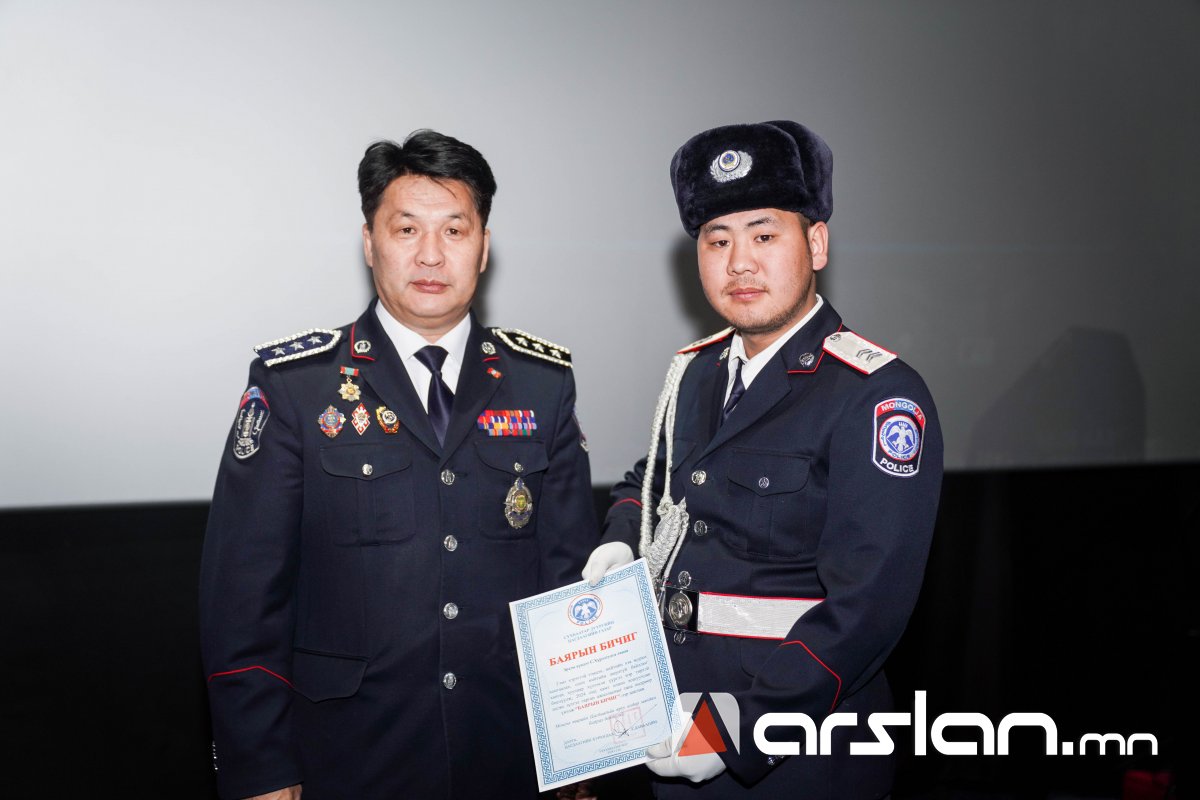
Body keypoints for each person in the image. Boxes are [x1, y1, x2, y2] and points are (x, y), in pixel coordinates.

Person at [200, 129, 599, 799]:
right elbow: (241, 600)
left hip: (506, 754)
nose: (431, 254)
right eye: (406, 228)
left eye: (455, 230)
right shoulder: (296, 386)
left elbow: (569, 585)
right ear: (369, 242)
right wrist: (261, 768)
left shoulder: (542, 383)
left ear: (484, 246)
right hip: (347, 758)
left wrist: (584, 754)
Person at [582, 121, 943, 798]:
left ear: (817, 243)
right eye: (718, 240)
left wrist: (742, 726)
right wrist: (619, 540)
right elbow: (652, 479)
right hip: (674, 732)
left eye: (764, 235)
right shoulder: (697, 374)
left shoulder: (875, 395)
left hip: (795, 751)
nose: (739, 263)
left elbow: (866, 609)